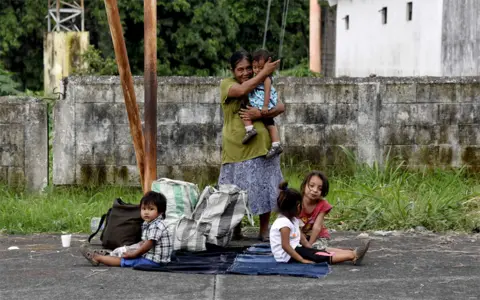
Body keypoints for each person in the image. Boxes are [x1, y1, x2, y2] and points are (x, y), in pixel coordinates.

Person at [218, 49, 284, 242]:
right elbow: (241, 91)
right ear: (232, 70)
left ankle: (264, 230)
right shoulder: (227, 84)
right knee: (234, 191)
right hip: (236, 148)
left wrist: (260, 114)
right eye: (240, 69)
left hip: (263, 147)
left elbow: (280, 107)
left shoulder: (259, 82)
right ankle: (235, 228)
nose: (245, 73)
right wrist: (265, 73)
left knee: (266, 188)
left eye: (249, 68)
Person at [270, 181, 370, 265]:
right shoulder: (283, 223)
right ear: (297, 206)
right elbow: (285, 246)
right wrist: (301, 259)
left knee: (318, 250)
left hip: (295, 249)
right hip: (286, 256)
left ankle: (352, 252)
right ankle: (353, 255)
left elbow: (301, 238)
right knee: (318, 256)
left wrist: (309, 247)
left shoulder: (293, 220)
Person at [80, 191, 172, 267]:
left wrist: (134, 254)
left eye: (151, 209)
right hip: (151, 255)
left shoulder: (157, 225)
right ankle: (110, 254)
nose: (146, 212)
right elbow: (145, 243)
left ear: (160, 212)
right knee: (130, 249)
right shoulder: (150, 222)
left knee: (125, 260)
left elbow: (148, 245)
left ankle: (97, 258)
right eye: (144, 209)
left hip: (155, 261)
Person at [241, 49, 283, 159]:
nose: (258, 71)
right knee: (246, 112)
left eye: (261, 68)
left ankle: (276, 144)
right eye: (255, 68)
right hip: (257, 102)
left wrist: (265, 106)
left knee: (270, 123)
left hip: (265, 102)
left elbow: (268, 92)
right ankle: (250, 129)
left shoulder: (266, 79)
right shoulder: (256, 78)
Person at [299, 170, 333, 250]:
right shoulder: (296, 201)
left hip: (317, 236)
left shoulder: (323, 204)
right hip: (298, 234)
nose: (315, 190)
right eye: (311, 185)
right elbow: (292, 224)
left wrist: (309, 245)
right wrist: (304, 241)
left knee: (317, 248)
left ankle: (350, 253)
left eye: (320, 188)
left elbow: (317, 227)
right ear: (304, 186)